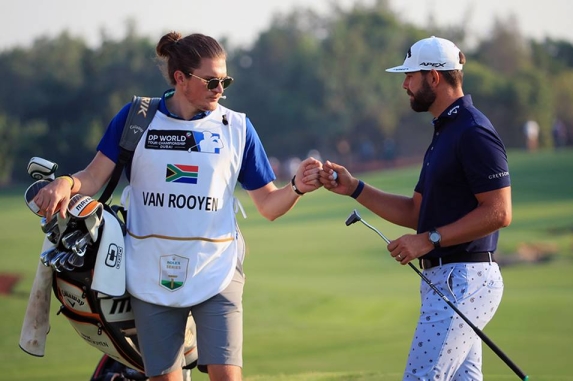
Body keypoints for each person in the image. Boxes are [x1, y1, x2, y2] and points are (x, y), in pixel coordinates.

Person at [33, 31, 322, 381]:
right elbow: (93, 177)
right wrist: (66, 182)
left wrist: (297, 187)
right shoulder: (135, 117)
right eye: (211, 81)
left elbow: (268, 205)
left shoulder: (238, 128)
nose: (220, 89)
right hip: (149, 273)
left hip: (217, 270)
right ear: (180, 78)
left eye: (225, 80)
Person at [320, 36, 512, 380]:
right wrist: (354, 188)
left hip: (465, 279)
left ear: (434, 78)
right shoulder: (446, 132)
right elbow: (415, 213)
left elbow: (499, 212)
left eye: (411, 76)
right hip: (449, 278)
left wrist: (430, 239)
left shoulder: (473, 131)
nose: (405, 84)